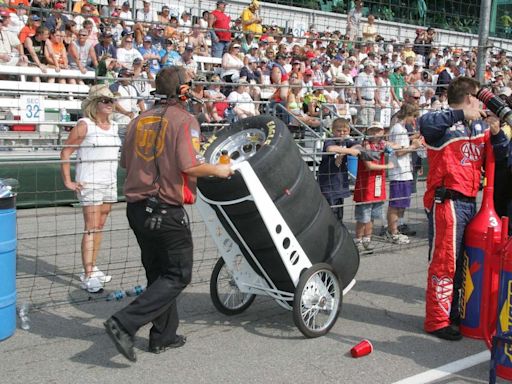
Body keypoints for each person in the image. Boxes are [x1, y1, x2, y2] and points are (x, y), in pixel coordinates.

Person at [103, 66, 233, 362]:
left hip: (136, 209)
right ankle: (124, 322)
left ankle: (163, 335)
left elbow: (126, 162)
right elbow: (190, 166)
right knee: (177, 274)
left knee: (158, 274)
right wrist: (220, 169)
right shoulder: (185, 120)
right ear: (183, 91)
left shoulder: (138, 120)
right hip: (164, 209)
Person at [419, 76, 508, 341]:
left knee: (462, 264)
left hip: (471, 202)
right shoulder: (442, 122)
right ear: (471, 98)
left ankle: (454, 313)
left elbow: (502, 156)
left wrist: (496, 132)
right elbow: (425, 125)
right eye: (479, 98)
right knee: (445, 262)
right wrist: (460, 113)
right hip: (446, 201)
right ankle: (436, 321)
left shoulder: (479, 126)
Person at [60, 85, 121, 293]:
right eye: (105, 100)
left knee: (100, 226)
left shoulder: (113, 127)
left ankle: (93, 267)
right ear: (95, 104)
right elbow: (66, 152)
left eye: (111, 100)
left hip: (109, 181)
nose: (110, 104)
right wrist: (68, 181)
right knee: (91, 227)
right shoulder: (84, 124)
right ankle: (87, 274)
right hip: (90, 182)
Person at [353, 121, 395, 252]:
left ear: (383, 132)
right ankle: (358, 240)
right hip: (365, 187)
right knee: (363, 217)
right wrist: (387, 166)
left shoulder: (383, 145)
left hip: (377, 185)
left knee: (372, 216)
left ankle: (367, 239)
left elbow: (395, 145)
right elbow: (369, 165)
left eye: (378, 131)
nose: (376, 134)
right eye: (373, 131)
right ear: (368, 132)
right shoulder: (364, 147)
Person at [385, 103, 421, 244]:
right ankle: (392, 231)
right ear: (408, 115)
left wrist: (413, 139)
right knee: (395, 204)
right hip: (399, 172)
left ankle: (397, 228)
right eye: (413, 117)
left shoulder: (402, 130)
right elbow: (399, 152)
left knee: (402, 203)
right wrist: (413, 146)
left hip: (405, 172)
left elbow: (402, 144)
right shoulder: (398, 129)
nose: (414, 120)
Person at [317, 118, 360, 222]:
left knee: (339, 212)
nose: (341, 133)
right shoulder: (329, 140)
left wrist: (343, 154)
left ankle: (338, 229)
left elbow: (358, 146)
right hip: (328, 183)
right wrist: (348, 151)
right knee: (330, 212)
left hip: (340, 183)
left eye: (344, 131)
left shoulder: (347, 141)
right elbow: (330, 149)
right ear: (332, 130)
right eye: (338, 131)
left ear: (349, 131)